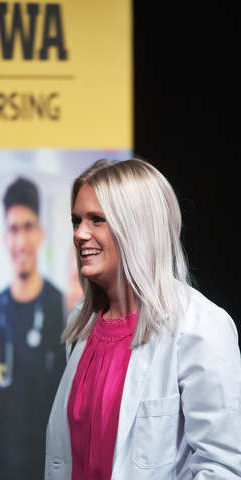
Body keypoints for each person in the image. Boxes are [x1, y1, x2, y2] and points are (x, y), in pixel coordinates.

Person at [45, 158, 241, 480]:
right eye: (77, 220)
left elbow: (220, 469)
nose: (80, 234)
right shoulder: (83, 321)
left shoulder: (200, 327)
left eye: (97, 220)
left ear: (137, 226)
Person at [0, 177, 66, 480]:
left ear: (40, 234)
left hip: (54, 466)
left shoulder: (62, 310)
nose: (21, 240)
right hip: (6, 465)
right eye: (13, 229)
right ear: (5, 238)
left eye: (28, 227)